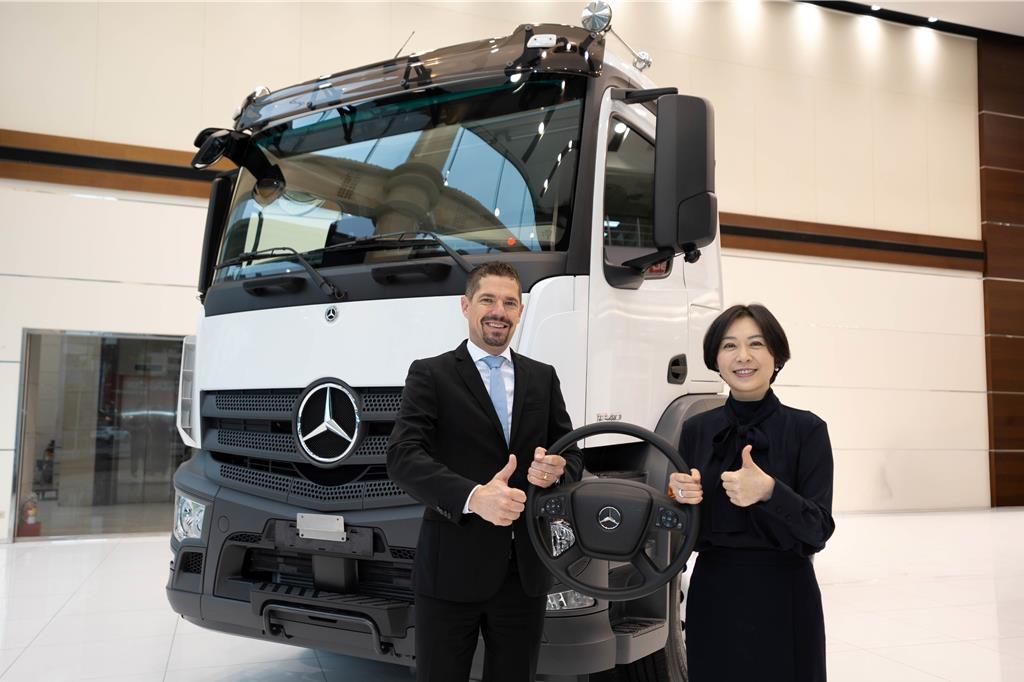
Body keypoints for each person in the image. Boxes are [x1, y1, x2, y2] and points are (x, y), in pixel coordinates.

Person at [387, 261, 583, 682]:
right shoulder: (431, 373)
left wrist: (557, 470)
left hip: (524, 572)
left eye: (509, 303)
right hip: (450, 569)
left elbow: (572, 456)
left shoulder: (542, 377)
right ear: (466, 306)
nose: (499, 311)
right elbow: (403, 456)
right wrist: (475, 497)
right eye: (487, 300)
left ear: (521, 311)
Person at [669, 303, 835, 682]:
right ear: (715, 358)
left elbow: (818, 531)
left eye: (756, 344)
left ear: (776, 356)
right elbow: (684, 533)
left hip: (786, 595)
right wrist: (677, 498)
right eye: (729, 346)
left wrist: (770, 491)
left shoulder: (808, 430)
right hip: (714, 594)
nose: (742, 356)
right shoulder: (696, 430)